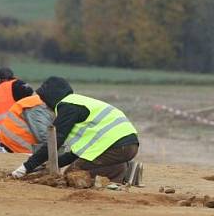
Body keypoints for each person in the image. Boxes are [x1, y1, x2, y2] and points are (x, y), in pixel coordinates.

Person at [10, 77, 139, 182]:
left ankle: (121, 173)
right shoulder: (78, 102)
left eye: (44, 100)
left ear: (51, 96)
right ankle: (121, 171)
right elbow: (76, 154)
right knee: (82, 164)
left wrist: (27, 167)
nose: (44, 104)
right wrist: (50, 165)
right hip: (128, 145)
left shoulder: (67, 107)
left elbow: (56, 140)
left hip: (116, 146)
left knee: (73, 173)